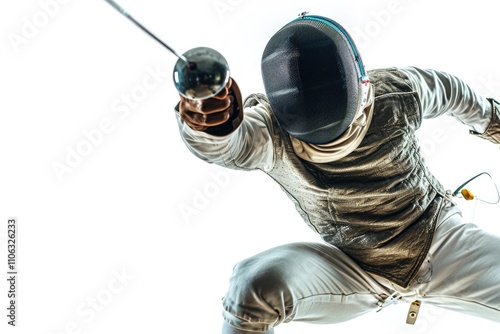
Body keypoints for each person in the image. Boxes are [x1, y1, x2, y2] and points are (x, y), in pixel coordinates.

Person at [174, 15, 500, 333]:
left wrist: (493, 121)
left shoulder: (398, 94)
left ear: (360, 82)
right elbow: (229, 146)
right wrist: (211, 124)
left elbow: (455, 94)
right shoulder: (270, 131)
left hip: (441, 244)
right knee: (252, 289)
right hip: (353, 269)